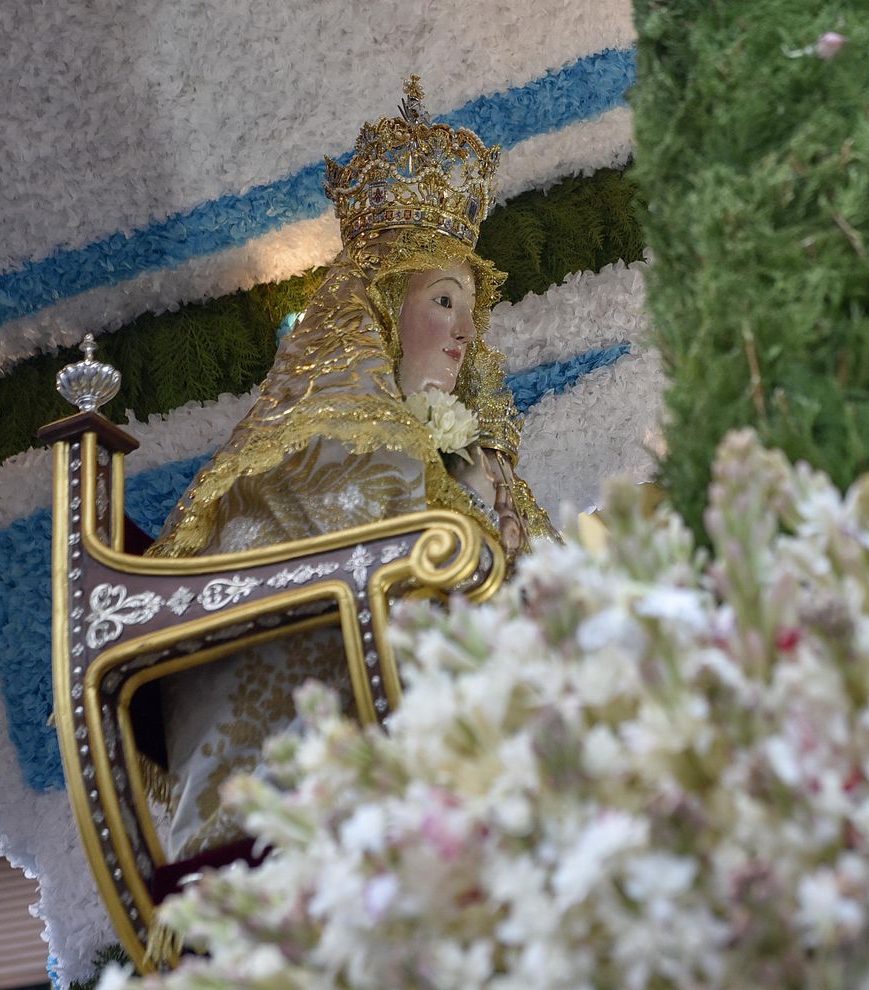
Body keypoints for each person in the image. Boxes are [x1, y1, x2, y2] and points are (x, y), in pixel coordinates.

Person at [144, 77, 555, 859]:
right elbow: (379, 595)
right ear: (381, 310)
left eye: (471, 310)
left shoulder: (462, 453)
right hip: (326, 795)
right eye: (443, 301)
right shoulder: (322, 447)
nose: (465, 334)